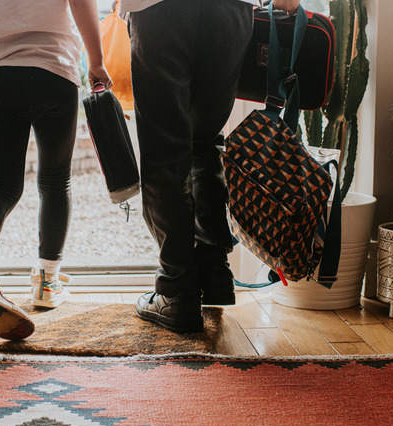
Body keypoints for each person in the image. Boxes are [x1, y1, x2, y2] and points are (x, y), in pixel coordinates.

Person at [123, 0, 301, 332]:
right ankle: (213, 269)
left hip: (160, 9)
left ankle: (176, 288)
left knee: (165, 151)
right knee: (205, 140)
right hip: (230, 10)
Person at [0, 0, 112, 341]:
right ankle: (47, 282)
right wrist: (95, 62)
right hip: (53, 70)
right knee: (55, 181)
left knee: (2, 186)